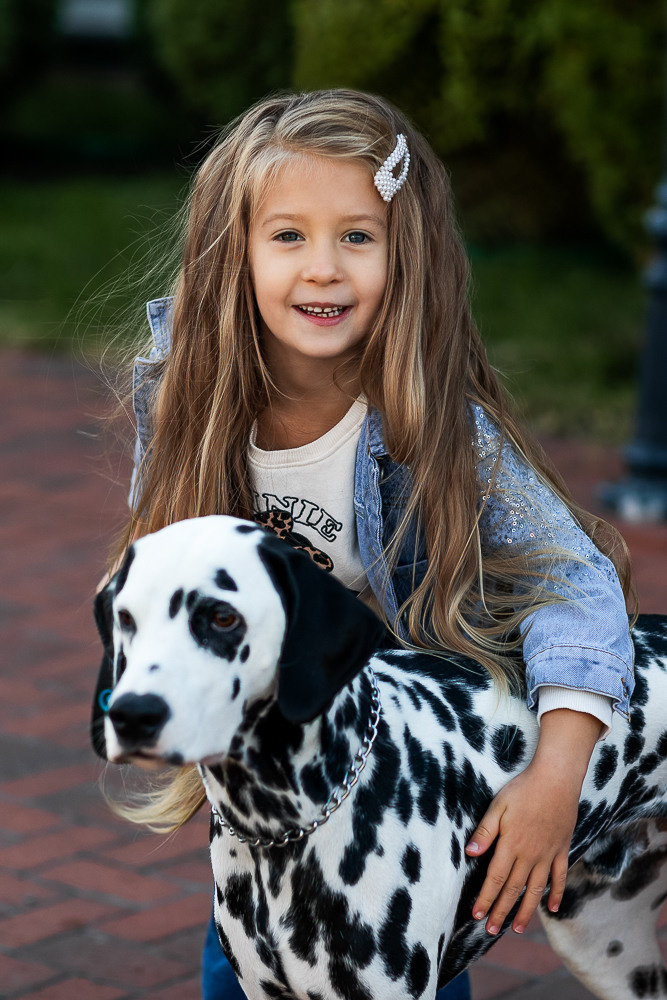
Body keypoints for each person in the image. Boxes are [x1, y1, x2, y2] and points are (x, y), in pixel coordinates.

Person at [107, 89, 635, 1000]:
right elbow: (162, 580)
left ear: (407, 253)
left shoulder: (435, 428)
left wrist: (556, 775)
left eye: (356, 236)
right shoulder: (185, 405)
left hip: (398, 812)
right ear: (234, 252)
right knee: (232, 977)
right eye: (288, 236)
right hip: (268, 802)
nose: (323, 269)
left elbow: (576, 586)